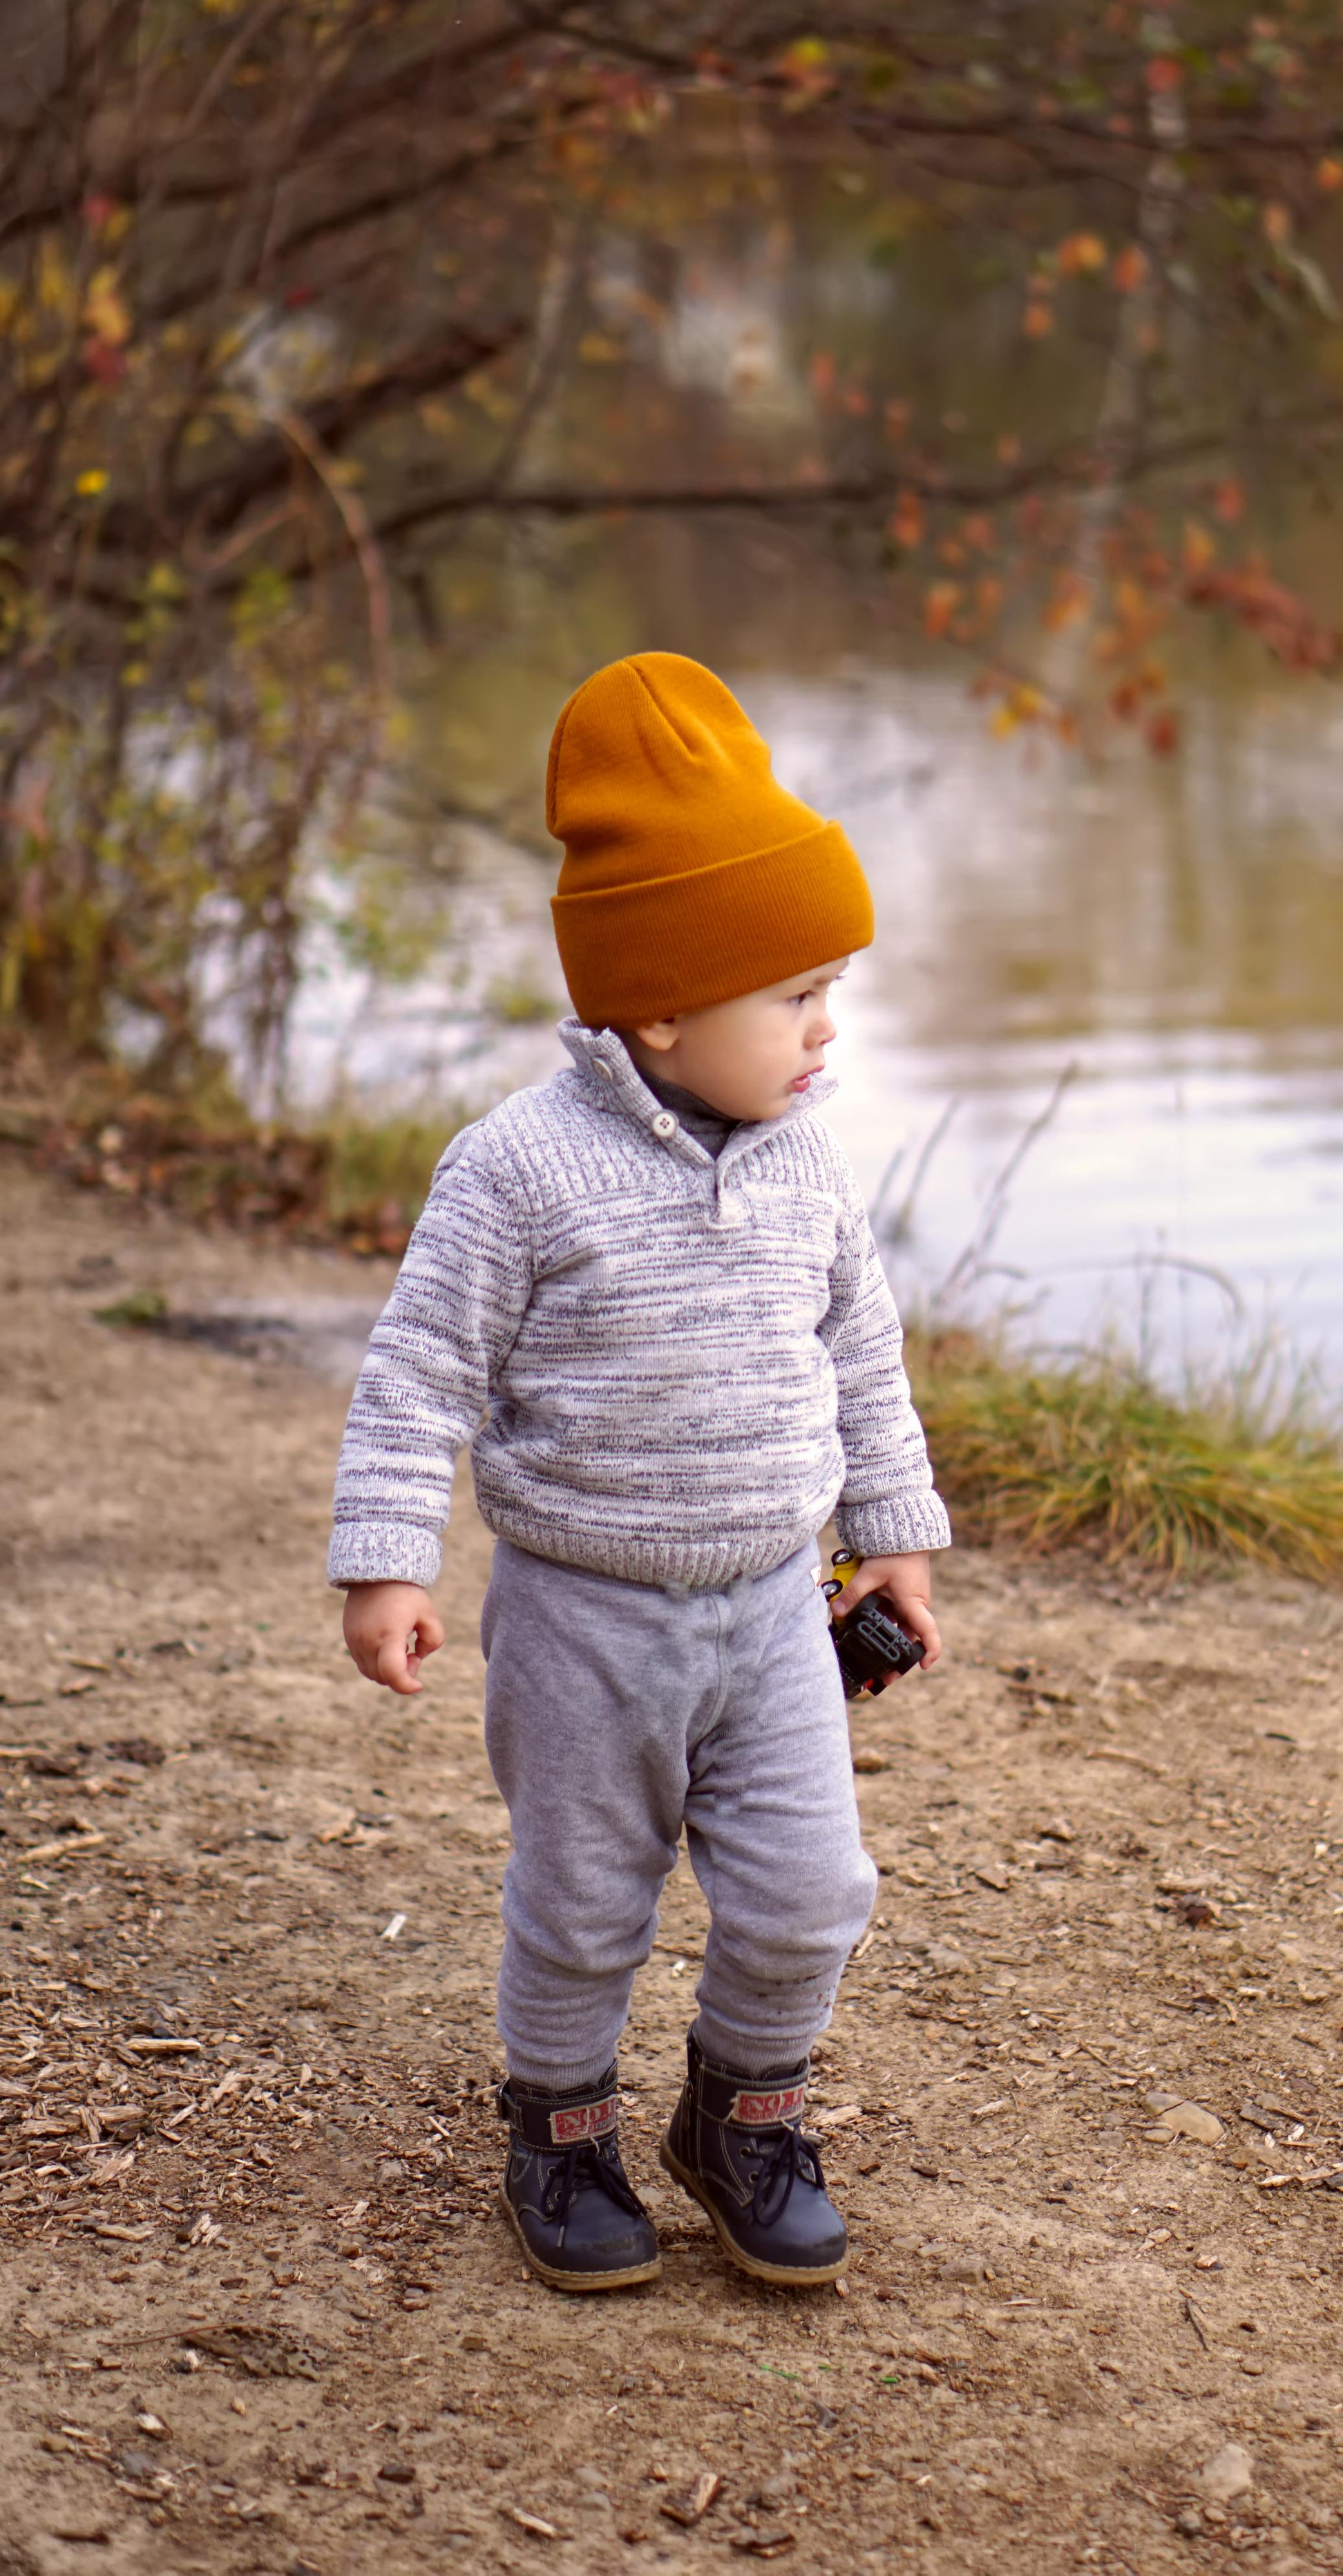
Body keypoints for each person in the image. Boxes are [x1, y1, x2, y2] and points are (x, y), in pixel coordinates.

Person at [328, 653, 949, 2294]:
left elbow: (860, 1355)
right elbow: (420, 1372)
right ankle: (560, 2131)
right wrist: (387, 1556)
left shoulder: (808, 1166)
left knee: (810, 1889)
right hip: (582, 1619)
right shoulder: (517, 1173)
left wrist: (891, 1531)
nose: (827, 1028)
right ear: (661, 1006)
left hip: (770, 1609)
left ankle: (739, 2118)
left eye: (830, 989)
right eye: (794, 995)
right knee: (584, 1903)